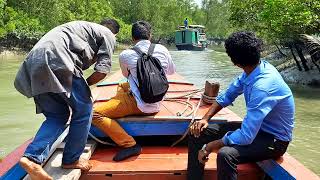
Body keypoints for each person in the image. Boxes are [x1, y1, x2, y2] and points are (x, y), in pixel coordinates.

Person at [14, 19, 120, 180]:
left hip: (32, 64)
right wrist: (85, 87)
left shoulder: (80, 28)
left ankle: (31, 158)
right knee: (84, 110)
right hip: (59, 60)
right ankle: (71, 159)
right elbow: (102, 71)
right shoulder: (108, 34)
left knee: (57, 116)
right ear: (115, 34)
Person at [187, 31, 295, 180]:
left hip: (274, 141)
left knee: (226, 154)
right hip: (257, 130)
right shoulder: (253, 70)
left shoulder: (262, 86)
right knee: (197, 131)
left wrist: (210, 146)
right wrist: (205, 119)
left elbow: (246, 136)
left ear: (234, 62)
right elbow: (228, 95)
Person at [92, 20, 176, 162]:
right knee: (123, 87)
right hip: (158, 101)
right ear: (150, 35)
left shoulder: (126, 54)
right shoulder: (163, 49)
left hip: (138, 104)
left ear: (133, 38)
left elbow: (126, 75)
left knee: (94, 114)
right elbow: (171, 71)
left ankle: (129, 144)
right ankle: (121, 99)